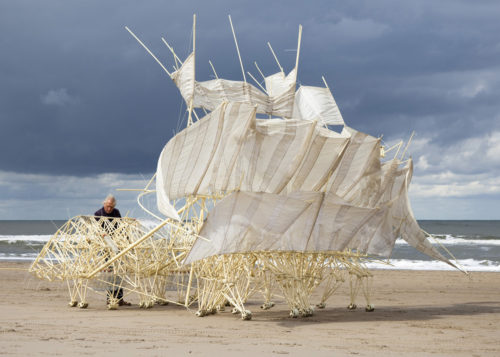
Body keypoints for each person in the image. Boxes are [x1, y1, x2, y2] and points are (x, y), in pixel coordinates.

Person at [94, 195, 131, 306]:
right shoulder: (98, 214)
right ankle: (110, 298)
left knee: (119, 272)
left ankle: (119, 299)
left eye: (111, 207)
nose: (109, 209)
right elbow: (96, 230)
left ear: (114, 206)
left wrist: (127, 239)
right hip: (106, 247)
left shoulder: (116, 212)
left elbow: (121, 227)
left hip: (117, 246)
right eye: (107, 206)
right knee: (110, 272)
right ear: (104, 204)